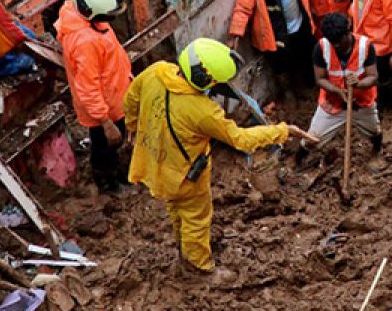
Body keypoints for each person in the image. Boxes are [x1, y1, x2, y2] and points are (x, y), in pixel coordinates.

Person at [125, 38, 316, 275]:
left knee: (175, 209)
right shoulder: (204, 111)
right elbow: (240, 139)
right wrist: (283, 131)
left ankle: (181, 245)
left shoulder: (156, 72)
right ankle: (199, 266)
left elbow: (131, 99)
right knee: (196, 219)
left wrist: (133, 127)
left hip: (153, 161)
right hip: (185, 175)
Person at [55, 0, 132, 195]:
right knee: (103, 149)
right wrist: (105, 122)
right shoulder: (84, 42)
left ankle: (119, 174)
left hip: (114, 99)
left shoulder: (89, 20)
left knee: (114, 145)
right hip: (103, 111)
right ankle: (107, 185)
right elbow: (88, 88)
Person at [307, 13, 382, 160]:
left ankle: (377, 152)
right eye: (332, 41)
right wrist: (337, 90)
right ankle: (299, 159)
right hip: (332, 102)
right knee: (312, 139)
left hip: (361, 102)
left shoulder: (365, 46)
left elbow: (373, 76)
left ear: (348, 32)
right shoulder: (321, 47)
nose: (336, 45)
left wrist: (358, 84)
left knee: (374, 131)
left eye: (339, 41)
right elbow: (320, 79)